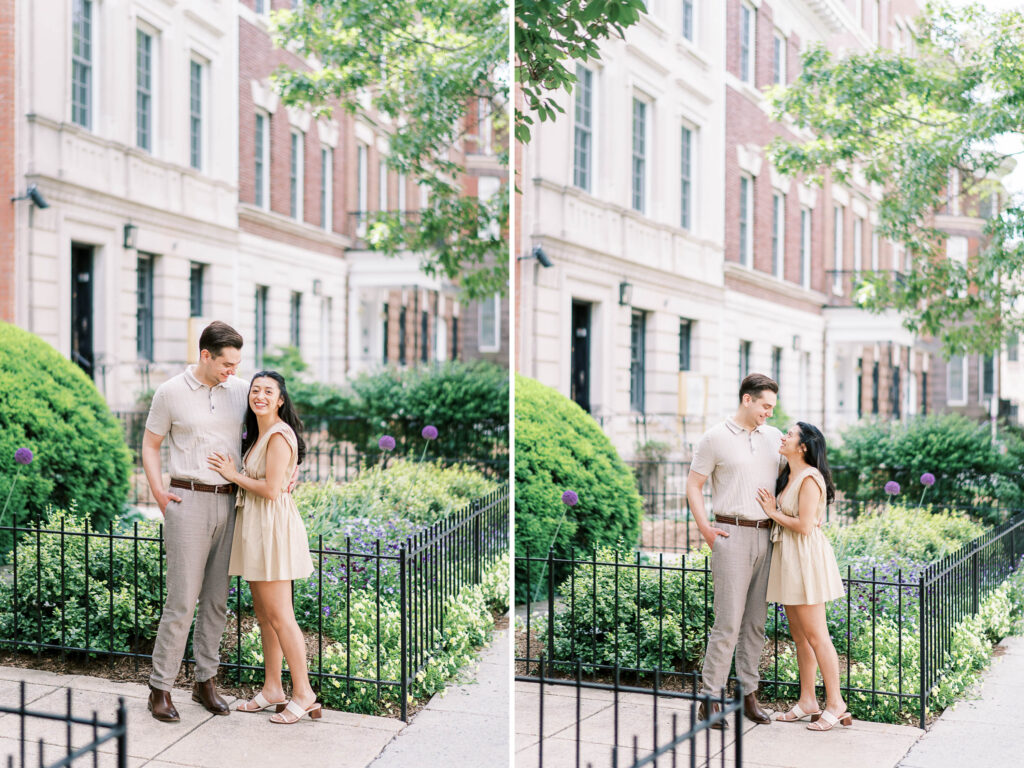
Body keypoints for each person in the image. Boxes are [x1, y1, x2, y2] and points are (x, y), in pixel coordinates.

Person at [142, 321, 248, 722]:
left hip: (231, 502)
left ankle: (205, 682)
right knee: (182, 600)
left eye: (236, 364)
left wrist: (289, 468)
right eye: (226, 364)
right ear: (205, 355)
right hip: (187, 500)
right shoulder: (170, 392)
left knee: (217, 601)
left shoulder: (241, 390)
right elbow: (150, 444)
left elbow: (276, 426)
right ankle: (160, 688)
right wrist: (158, 491)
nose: (233, 371)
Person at [207, 370, 318, 724]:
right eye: (255, 390)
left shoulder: (279, 435)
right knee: (266, 616)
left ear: (281, 400)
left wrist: (233, 475)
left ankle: (304, 693)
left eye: (269, 391)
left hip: (272, 529)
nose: (260, 396)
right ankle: (273, 689)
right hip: (257, 527)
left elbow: (271, 490)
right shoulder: (260, 435)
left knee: (281, 616)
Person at [687, 373, 782, 728]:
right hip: (731, 534)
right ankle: (709, 699)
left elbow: (797, 473)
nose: (769, 413)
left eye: (772, 407)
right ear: (747, 399)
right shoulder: (714, 438)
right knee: (727, 624)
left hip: (767, 536)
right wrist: (705, 528)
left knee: (756, 624)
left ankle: (747, 695)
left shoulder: (774, 437)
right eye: (765, 406)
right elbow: (693, 485)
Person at [756, 422, 850, 732]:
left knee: (817, 635)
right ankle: (808, 700)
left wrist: (772, 512)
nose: (783, 437)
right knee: (799, 636)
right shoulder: (788, 473)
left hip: (805, 560)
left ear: (804, 446)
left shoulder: (810, 478)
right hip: (788, 559)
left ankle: (836, 703)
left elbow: (806, 526)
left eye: (790, 434)